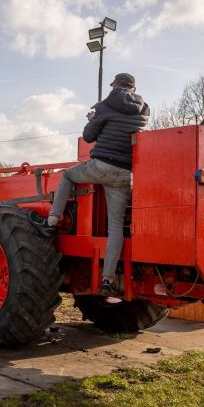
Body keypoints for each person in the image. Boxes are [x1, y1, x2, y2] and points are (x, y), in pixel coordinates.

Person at [48, 73, 150, 296]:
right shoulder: (144, 109)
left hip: (101, 166)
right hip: (126, 174)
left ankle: (53, 219)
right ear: (134, 88)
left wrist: (92, 119)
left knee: (66, 176)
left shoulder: (104, 106)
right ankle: (107, 280)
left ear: (114, 85)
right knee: (115, 229)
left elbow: (88, 136)